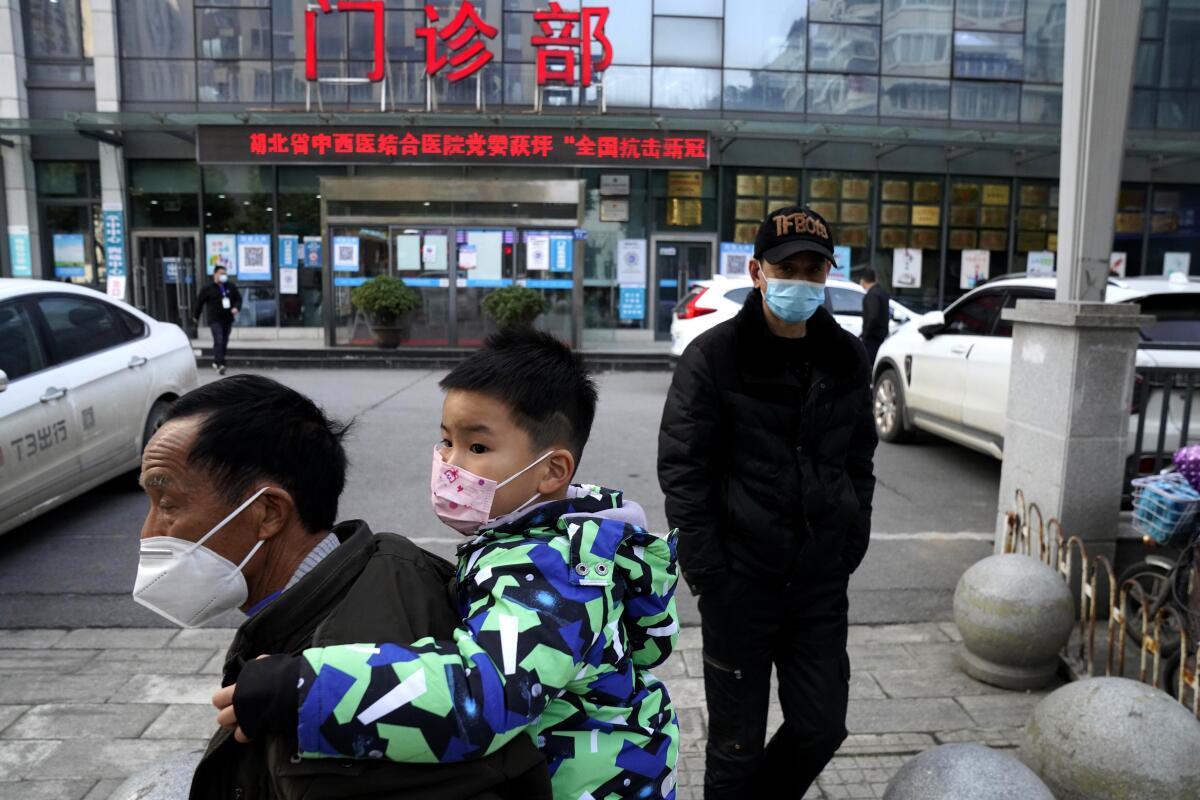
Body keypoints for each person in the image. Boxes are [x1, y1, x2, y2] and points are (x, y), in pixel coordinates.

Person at [212, 329, 681, 799]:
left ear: (552, 471)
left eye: (476, 448)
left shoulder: (554, 572)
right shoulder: (536, 541)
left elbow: (484, 696)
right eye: (446, 441)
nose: (450, 463)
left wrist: (304, 691)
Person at [133, 374, 550, 800]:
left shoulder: (348, 670)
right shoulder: (363, 571)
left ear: (267, 513)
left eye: (168, 505)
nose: (149, 532)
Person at [657, 205, 878, 799]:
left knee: (821, 725)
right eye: (788, 269)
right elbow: (684, 470)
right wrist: (709, 575)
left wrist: (849, 541)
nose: (801, 282)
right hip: (740, 586)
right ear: (757, 271)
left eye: (814, 270)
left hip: (819, 585)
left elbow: (859, 459)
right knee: (735, 745)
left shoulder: (846, 358)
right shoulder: (714, 358)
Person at [193, 266, 241, 375]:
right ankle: (220, 364)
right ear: (215, 274)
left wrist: (236, 307)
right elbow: (199, 303)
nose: (223, 275)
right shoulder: (208, 288)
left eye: (225, 273)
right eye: (221, 273)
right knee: (218, 339)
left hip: (227, 319)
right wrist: (196, 316)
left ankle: (217, 360)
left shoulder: (230, 287)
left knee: (224, 341)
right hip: (214, 319)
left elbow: (238, 299)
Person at [858, 267, 891, 366]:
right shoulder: (882, 292)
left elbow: (872, 317)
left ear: (863, 280)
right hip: (880, 335)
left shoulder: (872, 295)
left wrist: (865, 335)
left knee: (867, 364)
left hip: (872, 337)